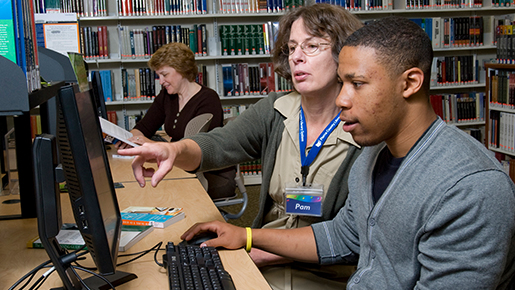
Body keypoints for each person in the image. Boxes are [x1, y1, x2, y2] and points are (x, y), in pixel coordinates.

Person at [178, 16, 515, 289]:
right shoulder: (373, 155)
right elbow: (342, 235)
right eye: (342, 83)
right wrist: (247, 235)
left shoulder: (471, 187)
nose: (341, 99)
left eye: (357, 84)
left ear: (410, 83)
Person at [119, 4, 363, 289]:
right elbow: (219, 144)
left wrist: (251, 244)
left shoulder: (364, 130)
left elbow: (351, 238)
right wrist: (174, 151)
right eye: (292, 46)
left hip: (322, 274)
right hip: (260, 261)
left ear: (343, 54)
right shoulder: (275, 110)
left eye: (312, 46)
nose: (296, 57)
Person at [117, 42, 236, 200]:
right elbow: (144, 127)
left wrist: (151, 144)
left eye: (164, 75)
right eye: (158, 75)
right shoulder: (167, 95)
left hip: (208, 172)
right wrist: (131, 139)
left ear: (182, 70)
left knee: (151, 193)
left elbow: (194, 147)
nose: (160, 81)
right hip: (177, 165)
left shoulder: (208, 99)